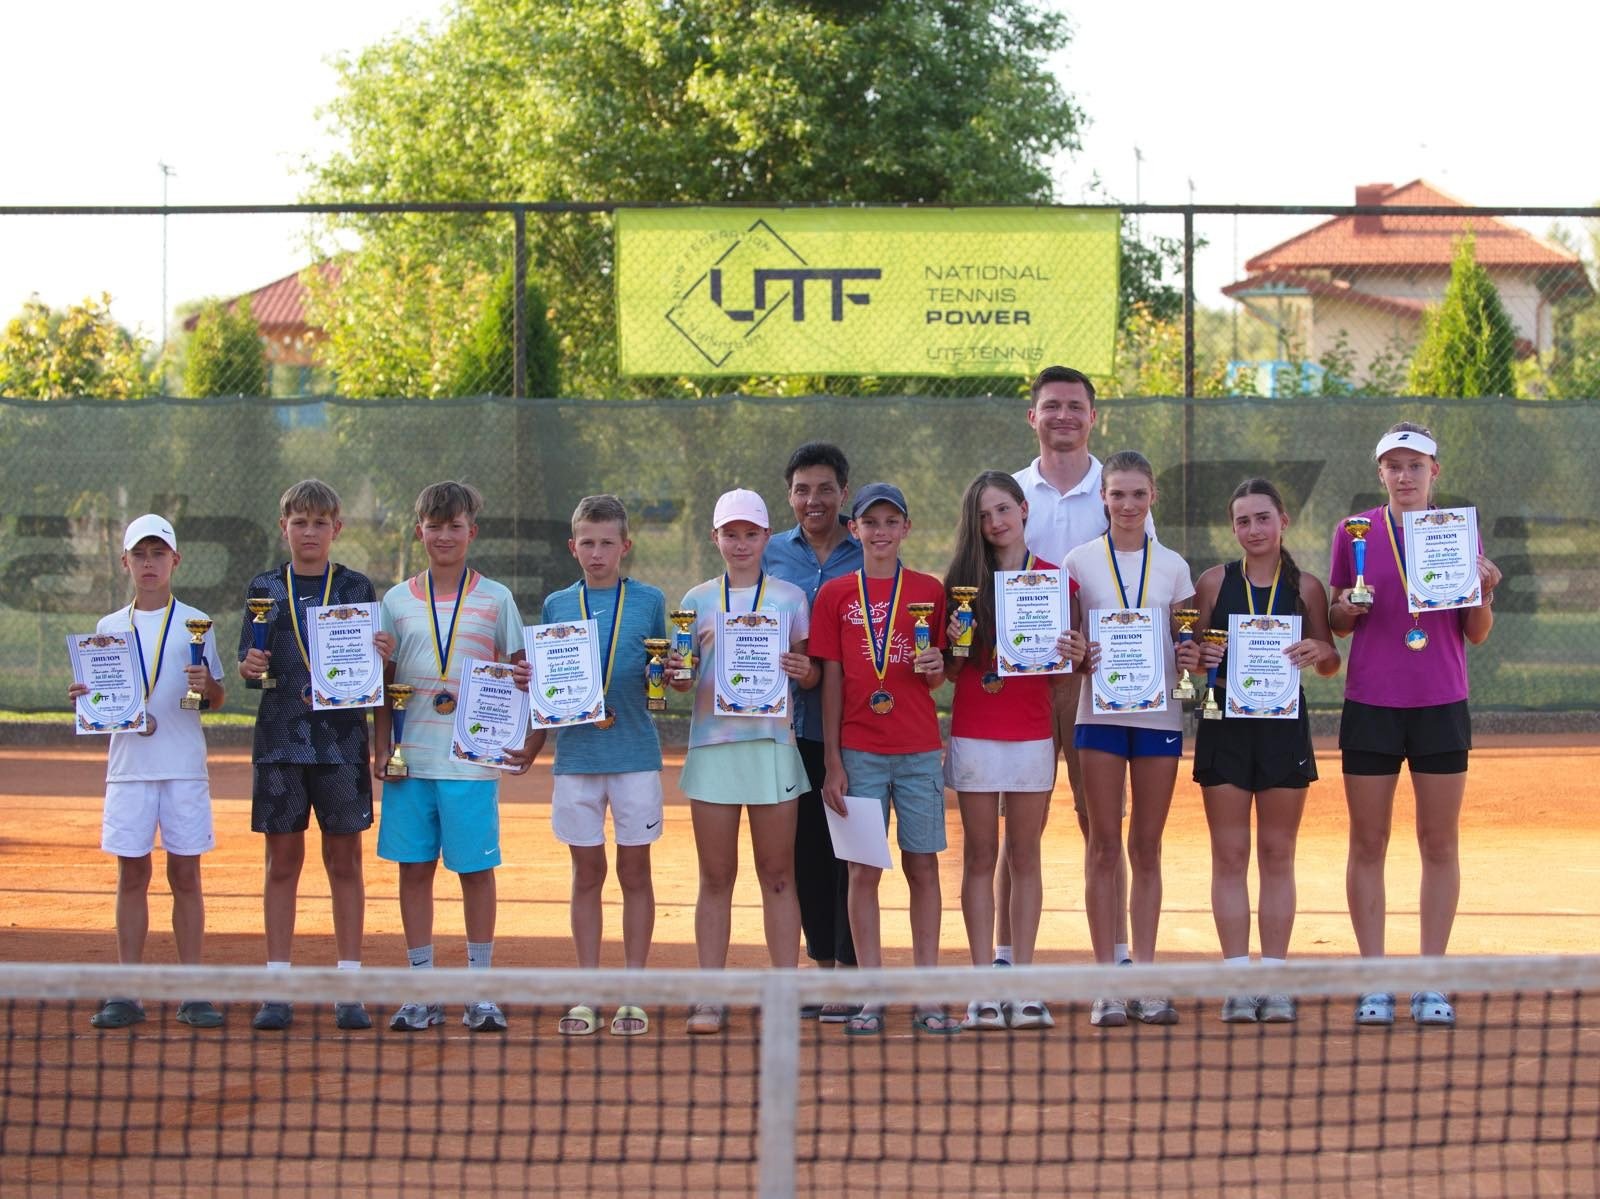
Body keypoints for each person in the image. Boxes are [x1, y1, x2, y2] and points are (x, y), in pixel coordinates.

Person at [1328, 423, 1502, 1029]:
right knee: (1367, 842)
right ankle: (1373, 982)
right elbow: (1338, 622)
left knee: (1439, 842)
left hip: (1441, 704)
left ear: (1435, 472)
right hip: (1371, 703)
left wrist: (1483, 594)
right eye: (1394, 466)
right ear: (1380, 472)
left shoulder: (1459, 533)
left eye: (1415, 465)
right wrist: (1345, 608)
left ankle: (1431, 981)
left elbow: (1476, 634)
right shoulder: (1353, 532)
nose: (1404, 476)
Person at [1179, 478, 1340, 1024]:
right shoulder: (1212, 582)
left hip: (1283, 727)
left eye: (1263, 518)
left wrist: (1319, 649)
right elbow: (1188, 657)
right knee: (1229, 855)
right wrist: (1195, 658)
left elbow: (1330, 661)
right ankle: (1237, 983)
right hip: (1223, 724)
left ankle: (1272, 981)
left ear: (1283, 522)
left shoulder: (1308, 587)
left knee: (1277, 853)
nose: (1253, 529)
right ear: (1233, 528)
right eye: (1243, 521)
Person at [373, 481, 529, 1034]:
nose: (444, 536)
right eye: (434, 526)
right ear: (420, 531)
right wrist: (382, 749)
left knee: (476, 872)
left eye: (454, 526)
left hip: (471, 762)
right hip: (411, 763)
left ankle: (479, 993)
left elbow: (521, 668)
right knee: (414, 871)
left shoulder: (497, 598)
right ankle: (422, 992)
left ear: (471, 533)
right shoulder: (394, 601)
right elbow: (382, 686)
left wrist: (524, 680)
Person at [239, 480, 394, 1032]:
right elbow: (250, 670)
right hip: (280, 743)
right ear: (284, 527)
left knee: (345, 862)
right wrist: (249, 668)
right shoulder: (263, 587)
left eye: (319, 523)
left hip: (341, 745)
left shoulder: (355, 586)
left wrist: (381, 654)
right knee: (282, 864)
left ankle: (348, 989)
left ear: (336, 528)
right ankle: (277, 989)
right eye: (299, 522)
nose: (309, 532)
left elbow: (373, 673)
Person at [813, 482, 959, 1037]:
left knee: (923, 868)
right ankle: (870, 993)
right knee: (863, 871)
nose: (880, 532)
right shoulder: (835, 595)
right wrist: (833, 761)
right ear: (854, 530)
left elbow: (938, 674)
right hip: (859, 754)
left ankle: (927, 991)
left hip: (918, 750)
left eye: (890, 522)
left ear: (906, 529)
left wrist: (936, 667)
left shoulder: (928, 590)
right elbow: (830, 681)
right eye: (870, 522)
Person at [70, 514, 226, 1030]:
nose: (149, 563)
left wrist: (207, 687)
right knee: (132, 875)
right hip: (128, 770)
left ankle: (193, 992)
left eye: (158, 553)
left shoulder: (198, 623)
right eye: (139, 554)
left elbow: (217, 698)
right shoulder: (108, 629)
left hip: (183, 769)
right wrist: (86, 698)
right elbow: (103, 701)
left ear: (175, 560)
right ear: (125, 562)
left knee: (186, 875)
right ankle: (128, 991)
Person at [942, 471, 1085, 1031]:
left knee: (1025, 857)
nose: (995, 522)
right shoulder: (960, 584)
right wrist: (951, 647)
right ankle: (982, 988)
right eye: (983, 515)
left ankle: (1023, 985)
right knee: (980, 857)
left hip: (1031, 734)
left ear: (1024, 509)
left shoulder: (1057, 581)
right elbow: (949, 668)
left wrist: (1075, 652)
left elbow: (1067, 668)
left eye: (1003, 509)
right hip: (975, 731)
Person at [669, 488, 815, 1035]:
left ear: (766, 537)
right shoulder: (696, 599)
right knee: (715, 877)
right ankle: (709, 998)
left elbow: (810, 673)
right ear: (715, 538)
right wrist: (678, 676)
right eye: (730, 534)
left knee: (778, 876)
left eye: (750, 533)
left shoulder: (791, 598)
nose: (740, 543)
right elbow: (683, 677)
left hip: (772, 751)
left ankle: (784, 993)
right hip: (713, 751)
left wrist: (804, 671)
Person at [526, 495, 667, 1037]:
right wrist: (533, 726)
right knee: (586, 873)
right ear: (573, 547)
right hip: (577, 759)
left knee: (635, 873)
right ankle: (587, 992)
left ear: (625, 546)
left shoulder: (650, 600)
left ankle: (633, 993)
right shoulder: (557, 605)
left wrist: (672, 672)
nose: (597, 552)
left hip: (635, 756)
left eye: (607, 542)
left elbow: (665, 668)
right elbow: (546, 684)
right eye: (587, 542)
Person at [1013, 365, 1138, 969]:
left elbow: (1137, 583)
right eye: (1051, 406)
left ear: (1093, 417)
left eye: (1074, 406)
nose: (1063, 415)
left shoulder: (1120, 494)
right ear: (1032, 417)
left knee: (1103, 828)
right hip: (1024, 685)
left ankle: (1117, 962)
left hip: (1096, 681)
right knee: (1019, 830)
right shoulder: (1009, 493)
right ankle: (1007, 963)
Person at [1065, 451, 1194, 1028]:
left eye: (1138, 494)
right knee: (1102, 844)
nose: (1127, 504)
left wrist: (1189, 655)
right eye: (1117, 494)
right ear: (1103, 497)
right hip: (1098, 716)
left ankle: (1144, 977)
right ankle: (1107, 984)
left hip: (1159, 717)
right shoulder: (1078, 561)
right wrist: (1076, 652)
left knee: (1146, 846)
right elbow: (1067, 643)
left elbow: (1185, 641)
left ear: (1152, 497)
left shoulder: (1174, 566)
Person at [761, 442, 863, 1019]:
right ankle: (821, 968)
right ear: (789, 496)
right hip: (787, 728)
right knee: (804, 854)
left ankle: (850, 972)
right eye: (802, 490)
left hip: (857, 730)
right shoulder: (769, 554)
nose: (813, 500)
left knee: (852, 852)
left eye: (825, 489)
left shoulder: (869, 550)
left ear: (844, 493)